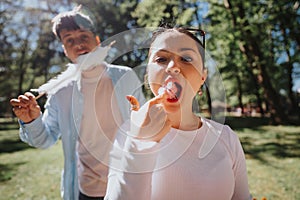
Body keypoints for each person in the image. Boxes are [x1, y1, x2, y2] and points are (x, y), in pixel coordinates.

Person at [9, 5, 145, 200]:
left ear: (97, 41)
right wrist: (31, 121)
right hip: (86, 189)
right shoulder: (60, 92)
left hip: (128, 185)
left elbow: (144, 126)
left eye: (84, 36)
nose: (78, 44)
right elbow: (45, 139)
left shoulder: (126, 76)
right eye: (69, 40)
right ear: (65, 50)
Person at [104, 25, 252, 200]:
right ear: (148, 74)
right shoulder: (128, 134)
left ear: (203, 77)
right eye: (161, 59)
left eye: (186, 58)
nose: (173, 67)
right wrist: (140, 142)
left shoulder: (227, 138)